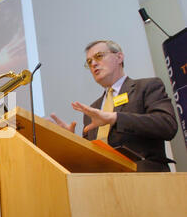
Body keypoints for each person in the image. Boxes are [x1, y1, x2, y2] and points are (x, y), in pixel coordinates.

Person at [51, 39, 177, 172]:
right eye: (89, 62)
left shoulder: (146, 87)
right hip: (105, 183)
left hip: (145, 178)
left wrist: (116, 118)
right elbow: (90, 155)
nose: (93, 63)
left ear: (119, 57)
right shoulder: (93, 109)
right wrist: (72, 140)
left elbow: (167, 125)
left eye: (99, 56)